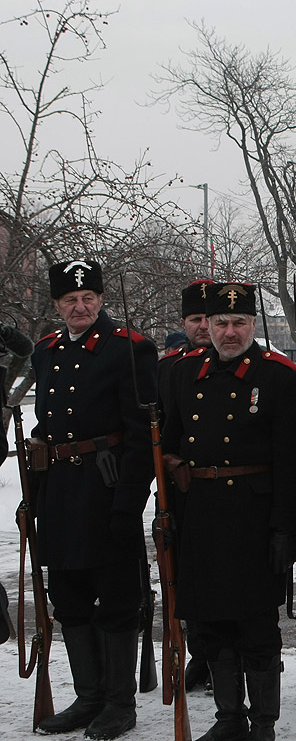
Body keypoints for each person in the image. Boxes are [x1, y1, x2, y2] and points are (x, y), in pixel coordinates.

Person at [161, 281, 296, 741]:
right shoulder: (183, 375)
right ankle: (230, 718)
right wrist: (168, 507)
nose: (227, 332)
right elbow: (167, 443)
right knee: (211, 622)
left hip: (254, 517)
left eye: (238, 322)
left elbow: (292, 462)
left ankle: (263, 722)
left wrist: (286, 527)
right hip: (200, 514)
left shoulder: (280, 377)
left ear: (253, 324)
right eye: (219, 323)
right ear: (206, 325)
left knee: (256, 625)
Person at [30, 260, 158, 739]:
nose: (79, 307)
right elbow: (48, 424)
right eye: (69, 300)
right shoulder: (46, 351)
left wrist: (128, 501)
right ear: (57, 304)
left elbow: (143, 436)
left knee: (118, 597)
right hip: (61, 489)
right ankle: (89, 698)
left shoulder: (130, 350)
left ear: (100, 299)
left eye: (87, 298)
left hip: (107, 486)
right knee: (69, 595)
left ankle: (119, 704)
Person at [157, 278, 216, 692]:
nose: (201, 326)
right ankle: (199, 654)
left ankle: (223, 660)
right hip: (180, 490)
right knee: (187, 575)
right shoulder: (169, 369)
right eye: (194, 319)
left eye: (207, 319)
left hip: (226, 490)